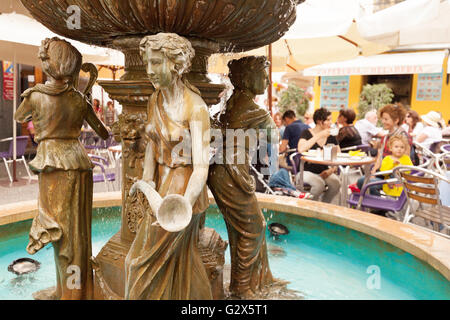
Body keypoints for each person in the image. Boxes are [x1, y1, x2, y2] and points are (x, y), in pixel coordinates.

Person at [14, 37, 109, 299]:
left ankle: (69, 293)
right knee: (76, 233)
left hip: (53, 163)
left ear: (50, 64)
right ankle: (73, 289)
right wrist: (83, 96)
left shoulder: (35, 96)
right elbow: (104, 132)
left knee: (60, 231)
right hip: (78, 163)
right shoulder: (78, 99)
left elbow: (19, 116)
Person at [125, 33, 212, 300]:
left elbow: (201, 166)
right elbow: (152, 142)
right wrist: (147, 179)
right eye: (147, 63)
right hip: (160, 185)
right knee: (177, 262)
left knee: (139, 262)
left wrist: (183, 206)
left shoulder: (195, 107)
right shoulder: (155, 99)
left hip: (182, 189)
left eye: (156, 63)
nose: (149, 71)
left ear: (176, 64)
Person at [208, 56, 276, 298]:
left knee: (241, 229)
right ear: (248, 79)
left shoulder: (231, 104)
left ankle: (253, 280)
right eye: (264, 76)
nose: (268, 81)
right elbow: (274, 136)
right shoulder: (253, 110)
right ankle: (241, 287)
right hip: (231, 175)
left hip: (220, 171)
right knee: (254, 227)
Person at [357, 103, 411, 195]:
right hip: (383, 171)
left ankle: (380, 207)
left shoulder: (403, 136)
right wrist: (374, 171)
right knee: (362, 181)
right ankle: (378, 205)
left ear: (396, 120)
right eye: (382, 119)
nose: (383, 121)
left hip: (394, 175)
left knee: (366, 183)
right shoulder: (386, 136)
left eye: (386, 119)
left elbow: (405, 160)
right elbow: (379, 156)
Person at [296, 108, 341, 203]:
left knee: (336, 183)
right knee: (319, 184)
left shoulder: (331, 136)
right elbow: (301, 149)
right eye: (328, 120)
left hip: (324, 171)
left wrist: (331, 170)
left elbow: (338, 155)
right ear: (319, 121)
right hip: (304, 171)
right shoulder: (306, 133)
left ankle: (324, 206)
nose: (330, 122)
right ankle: (308, 208)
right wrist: (319, 135)